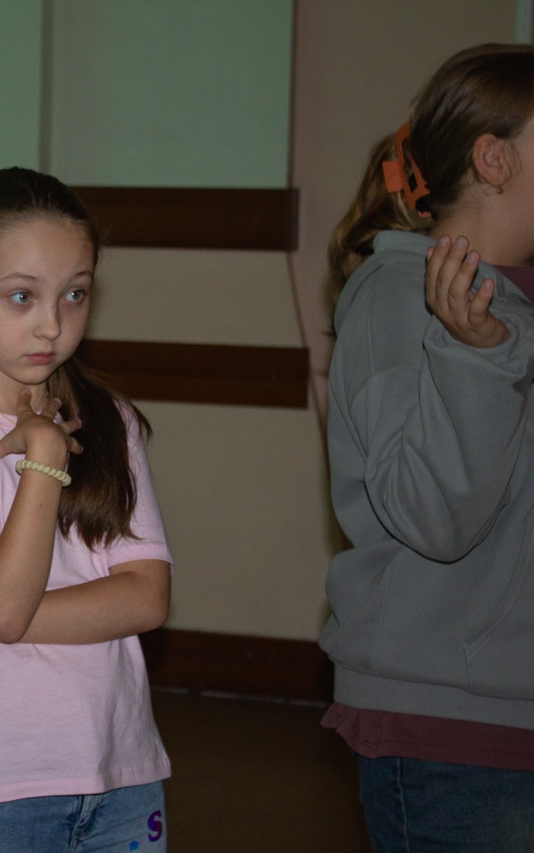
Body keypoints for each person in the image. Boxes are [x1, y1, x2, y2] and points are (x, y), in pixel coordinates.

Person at [0, 167, 173, 853]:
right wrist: (43, 458)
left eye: (75, 294)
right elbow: (5, 606)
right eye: (21, 296)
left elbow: (145, 597)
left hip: (123, 775)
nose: (52, 324)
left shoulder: (109, 419)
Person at [324, 43, 534, 850]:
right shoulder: (399, 298)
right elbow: (434, 518)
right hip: (455, 734)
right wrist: (477, 358)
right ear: (494, 158)